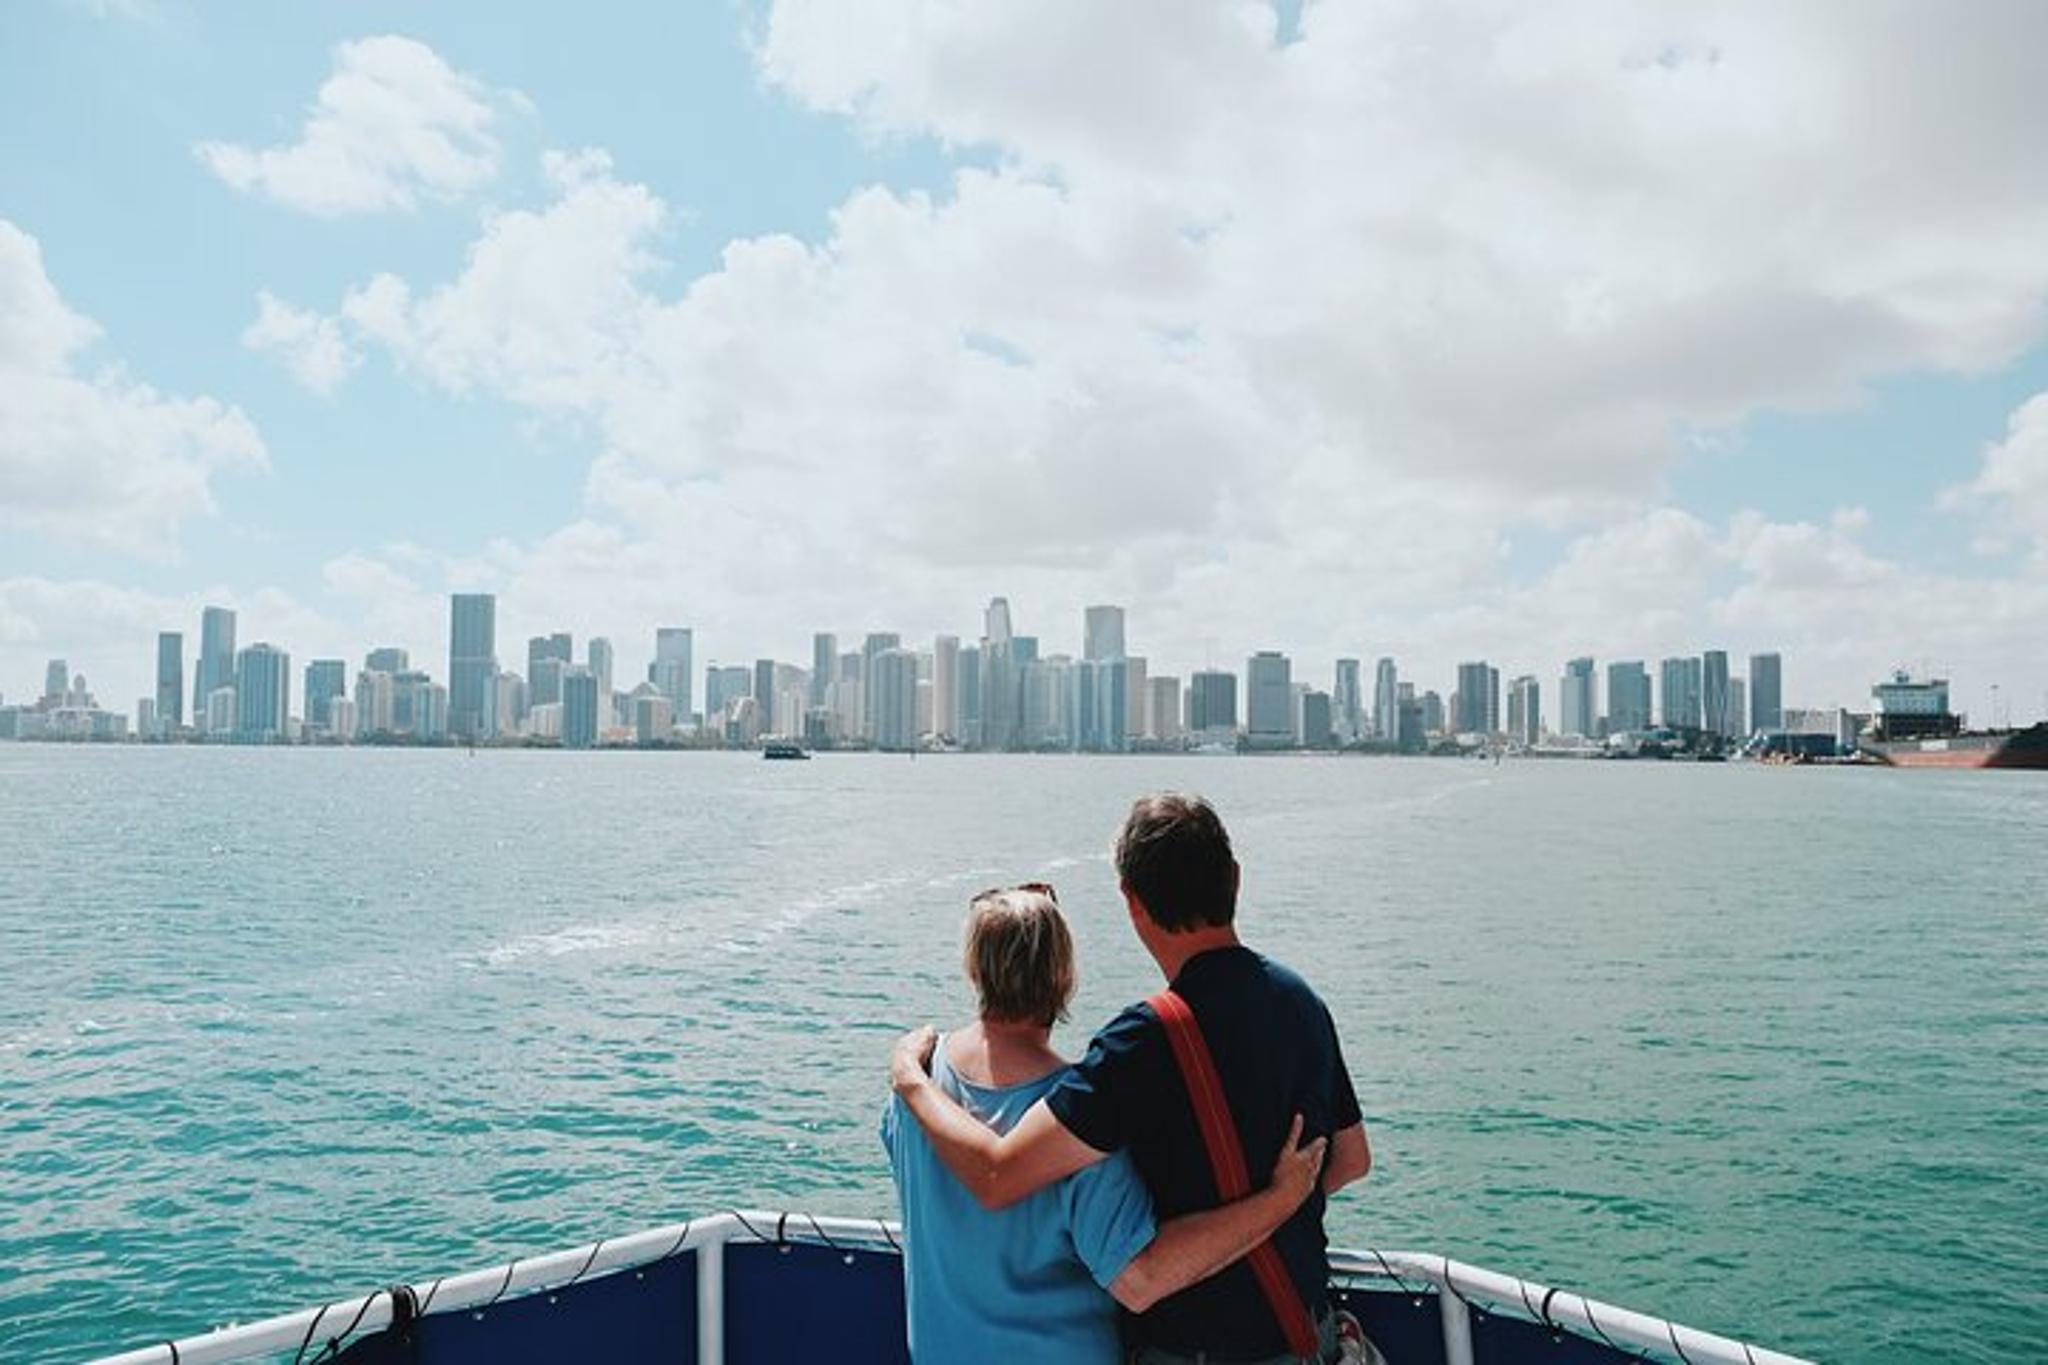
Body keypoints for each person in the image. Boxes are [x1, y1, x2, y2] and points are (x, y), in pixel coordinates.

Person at [893, 795, 1372, 1364]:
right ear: (1235, 880)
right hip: (1303, 1336)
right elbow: (1350, 1160)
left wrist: (910, 1078)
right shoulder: (1301, 1001)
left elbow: (1000, 1175)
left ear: (1132, 901)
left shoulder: (1141, 1043)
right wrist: (1281, 1197)